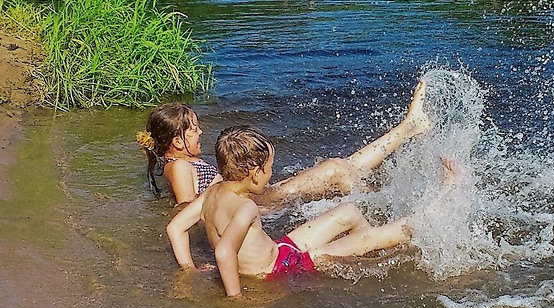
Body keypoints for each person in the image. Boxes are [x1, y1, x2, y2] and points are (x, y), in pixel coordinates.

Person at [168, 125, 459, 297]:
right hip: (281, 269)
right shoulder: (245, 207)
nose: (271, 175)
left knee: (348, 212)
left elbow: (175, 228)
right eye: (269, 170)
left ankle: (367, 253)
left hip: (278, 251)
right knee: (392, 232)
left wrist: (189, 269)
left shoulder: (211, 194)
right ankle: (443, 201)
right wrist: (235, 298)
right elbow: (223, 252)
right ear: (254, 173)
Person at [139, 80, 430, 206]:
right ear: (177, 141)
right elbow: (187, 207)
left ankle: (407, 129)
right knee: (337, 170)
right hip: (261, 202)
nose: (201, 132)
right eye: (193, 129)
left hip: (258, 196)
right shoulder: (177, 167)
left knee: (343, 167)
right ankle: (378, 210)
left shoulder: (180, 162)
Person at [137, 103, 222, 204]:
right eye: (195, 130)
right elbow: (185, 206)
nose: (200, 132)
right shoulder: (180, 166)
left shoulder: (178, 164)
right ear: (178, 142)